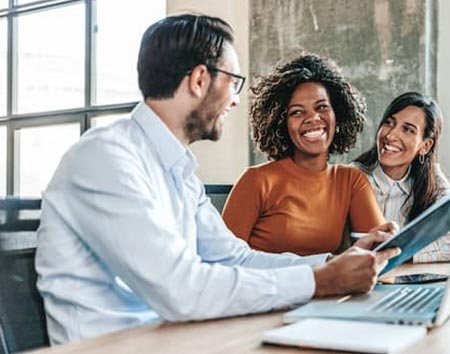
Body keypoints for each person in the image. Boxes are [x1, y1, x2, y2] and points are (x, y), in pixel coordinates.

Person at [35, 14, 399, 345]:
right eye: (234, 82)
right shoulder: (105, 157)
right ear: (199, 79)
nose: (236, 101)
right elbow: (181, 289)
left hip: (175, 338)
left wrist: (332, 263)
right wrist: (320, 282)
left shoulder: (177, 169)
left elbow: (233, 257)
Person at [222, 53, 387, 255]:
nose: (313, 118)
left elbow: (381, 259)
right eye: (297, 112)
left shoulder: (350, 181)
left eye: (322, 107)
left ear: (338, 114)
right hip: (268, 286)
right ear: (282, 124)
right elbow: (223, 262)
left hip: (328, 286)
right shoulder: (256, 181)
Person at [354, 92, 450, 263]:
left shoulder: (431, 180)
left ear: (425, 146)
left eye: (408, 130)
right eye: (389, 123)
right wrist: (412, 248)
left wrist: (397, 253)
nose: (390, 135)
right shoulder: (353, 177)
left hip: (404, 281)